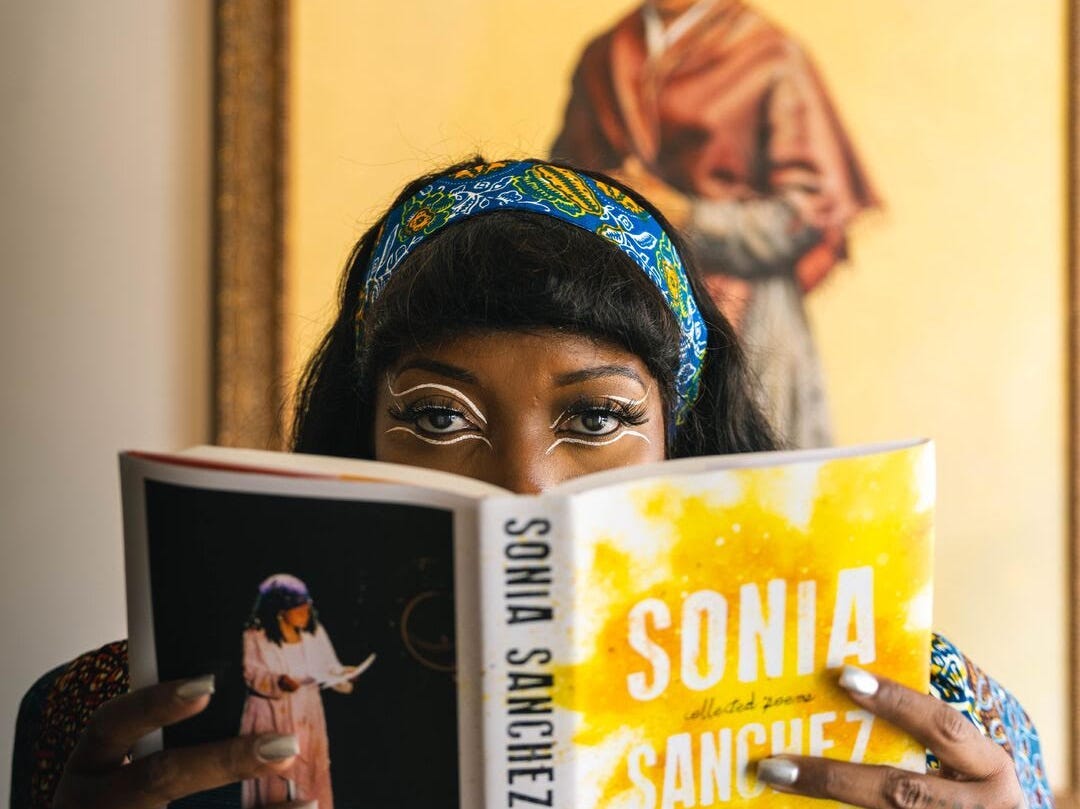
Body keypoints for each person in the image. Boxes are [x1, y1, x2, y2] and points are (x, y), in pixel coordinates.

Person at [35, 158, 1047, 809]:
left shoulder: (920, 713)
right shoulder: (123, 722)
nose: (524, 481)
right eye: (440, 416)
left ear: (681, 436)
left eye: (595, 417)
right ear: (358, 438)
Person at [551, 0, 881, 449]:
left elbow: (809, 210)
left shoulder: (770, 53)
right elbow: (561, 191)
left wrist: (688, 216)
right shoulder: (604, 55)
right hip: (626, 316)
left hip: (748, 320)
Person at [240, 574, 367, 809]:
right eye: (298, 608)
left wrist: (345, 673)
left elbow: (328, 666)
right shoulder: (256, 637)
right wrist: (278, 681)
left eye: (307, 607)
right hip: (272, 715)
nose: (305, 613)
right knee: (276, 780)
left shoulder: (313, 633)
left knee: (310, 776)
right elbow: (252, 674)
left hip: (308, 714)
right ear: (279, 611)